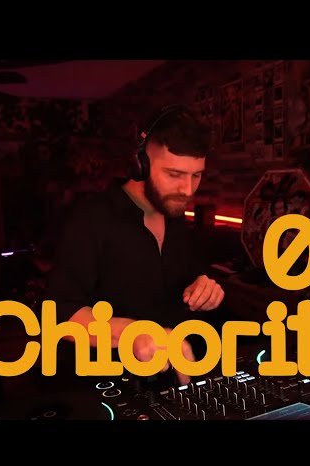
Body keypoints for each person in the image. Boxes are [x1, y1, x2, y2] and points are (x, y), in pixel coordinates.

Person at [46, 105, 225, 386]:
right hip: (107, 386)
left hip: (170, 383)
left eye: (196, 175)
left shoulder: (176, 218)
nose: (187, 190)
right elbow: (59, 315)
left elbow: (189, 281)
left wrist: (205, 289)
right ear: (140, 163)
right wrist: (132, 333)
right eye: (174, 174)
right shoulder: (90, 218)